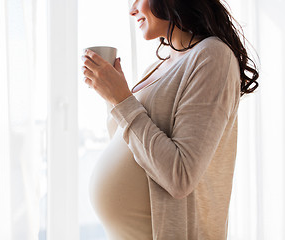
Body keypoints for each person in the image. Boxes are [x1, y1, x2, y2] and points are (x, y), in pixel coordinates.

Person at [81, 0, 259, 239]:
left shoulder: (213, 55)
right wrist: (112, 95)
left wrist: (122, 100)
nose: (131, 10)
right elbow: (135, 145)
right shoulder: (158, 67)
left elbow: (180, 177)